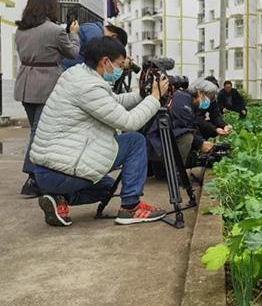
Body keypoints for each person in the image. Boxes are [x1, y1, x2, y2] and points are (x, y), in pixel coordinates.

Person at [30, 36, 170, 227]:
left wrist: (142, 95)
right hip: (61, 170)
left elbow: (113, 102)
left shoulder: (77, 74)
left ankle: (59, 199)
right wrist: (155, 98)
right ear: (105, 61)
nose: (121, 69)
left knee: (107, 189)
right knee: (135, 141)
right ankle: (131, 208)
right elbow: (129, 122)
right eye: (120, 64)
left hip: (49, 170)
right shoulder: (89, 87)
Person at [13, 0, 81, 198]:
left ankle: (38, 175)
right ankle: (33, 177)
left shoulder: (20, 31)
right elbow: (72, 53)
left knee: (36, 130)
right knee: (40, 132)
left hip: (25, 83)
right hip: (46, 84)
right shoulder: (55, 31)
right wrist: (74, 34)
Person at [147, 78, 217, 171]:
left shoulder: (188, 101)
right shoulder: (183, 102)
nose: (210, 101)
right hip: (155, 145)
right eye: (210, 97)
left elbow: (192, 125)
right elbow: (183, 127)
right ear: (200, 93)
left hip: (159, 140)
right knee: (187, 137)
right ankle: (177, 172)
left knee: (191, 136)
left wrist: (202, 141)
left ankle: (164, 171)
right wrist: (201, 143)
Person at [61, 22, 129, 69]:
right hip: (63, 67)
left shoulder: (95, 30)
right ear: (114, 36)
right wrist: (119, 62)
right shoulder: (96, 33)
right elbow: (97, 56)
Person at [196, 76, 233, 140]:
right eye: (211, 93)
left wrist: (224, 126)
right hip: (190, 127)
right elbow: (197, 119)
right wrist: (215, 129)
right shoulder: (195, 99)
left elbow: (215, 116)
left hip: (200, 122)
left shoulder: (212, 100)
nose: (213, 96)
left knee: (215, 127)